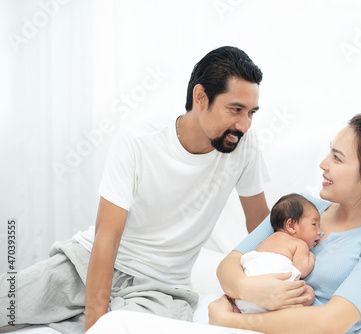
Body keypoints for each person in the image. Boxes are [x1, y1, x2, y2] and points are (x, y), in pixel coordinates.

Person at [0, 46, 271, 333]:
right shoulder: (138, 141)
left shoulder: (245, 145)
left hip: (161, 289)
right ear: (200, 97)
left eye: (252, 112)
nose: (244, 125)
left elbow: (259, 224)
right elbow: (107, 235)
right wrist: (95, 324)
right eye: (235, 109)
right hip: (88, 263)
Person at [209, 113, 361, 334]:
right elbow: (229, 264)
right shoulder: (300, 207)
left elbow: (332, 322)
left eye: (337, 158)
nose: (323, 163)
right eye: (330, 152)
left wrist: (232, 322)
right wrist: (248, 289)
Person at [234, 193, 321, 313]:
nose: (319, 232)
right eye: (314, 224)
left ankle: (237, 309)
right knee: (309, 293)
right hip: (276, 295)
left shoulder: (266, 240)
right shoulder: (299, 244)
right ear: (291, 225)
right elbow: (302, 269)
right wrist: (310, 256)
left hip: (247, 295)